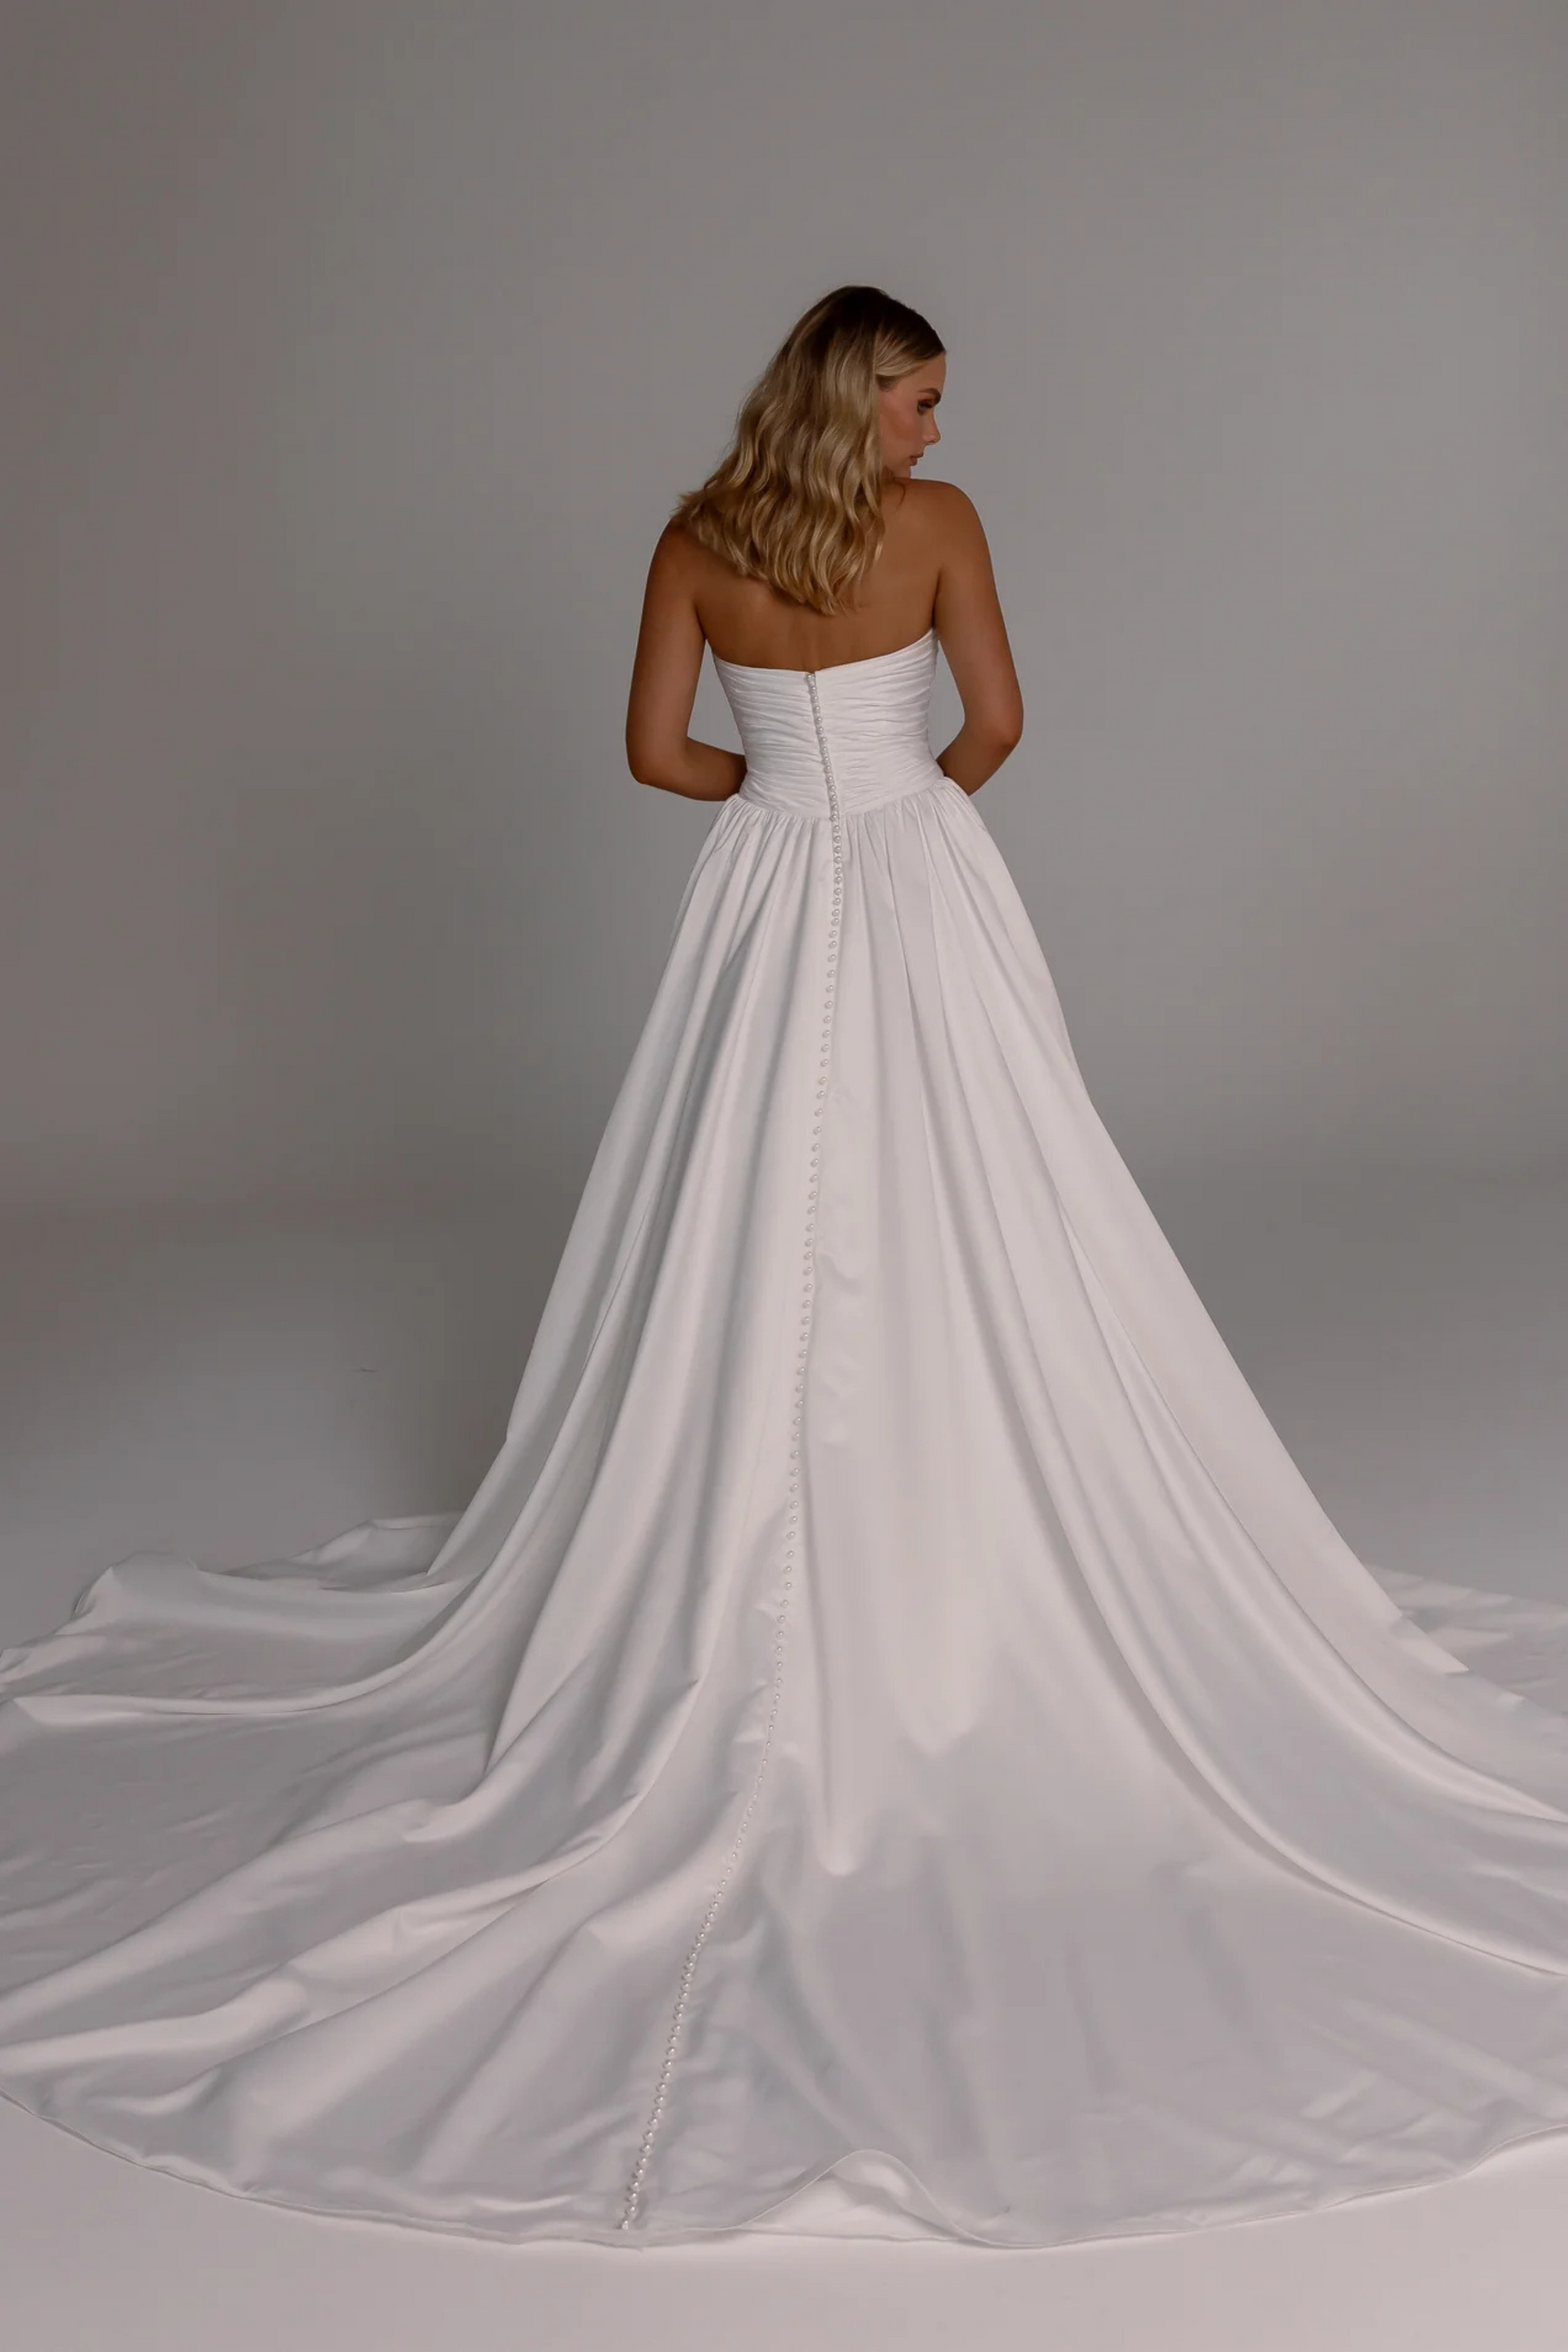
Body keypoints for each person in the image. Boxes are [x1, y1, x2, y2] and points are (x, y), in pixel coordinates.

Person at [5, 284, 1568, 2253]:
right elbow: (997, 723)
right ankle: (951, 1503)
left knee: (747, 1202)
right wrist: (896, 822)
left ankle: (754, 1510)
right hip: (915, 882)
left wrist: (781, 813)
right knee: (978, 1194)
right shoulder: (941, 528)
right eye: (920, 394)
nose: (936, 422)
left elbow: (653, 751)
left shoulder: (693, 535)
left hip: (762, 903)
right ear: (866, 395)